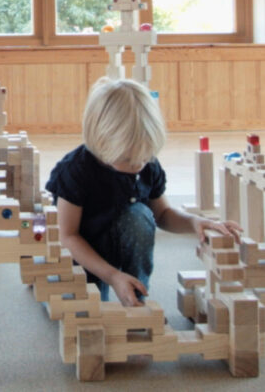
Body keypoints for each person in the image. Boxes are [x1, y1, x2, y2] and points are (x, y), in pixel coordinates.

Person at [45, 77, 242, 307]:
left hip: (117, 242)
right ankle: (106, 282)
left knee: (140, 216)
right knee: (78, 307)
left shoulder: (146, 165)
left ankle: (135, 295)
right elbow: (68, 236)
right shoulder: (76, 170)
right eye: (128, 159)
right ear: (101, 142)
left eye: (145, 156)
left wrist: (194, 222)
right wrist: (111, 276)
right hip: (79, 253)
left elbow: (162, 214)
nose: (138, 165)